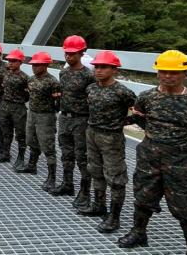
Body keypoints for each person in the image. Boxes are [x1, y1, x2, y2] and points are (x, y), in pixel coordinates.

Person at [118, 50, 187, 255]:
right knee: (143, 196)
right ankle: (139, 233)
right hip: (149, 156)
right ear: (157, 73)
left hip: (182, 163)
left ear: (186, 74)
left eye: (174, 72)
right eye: (163, 71)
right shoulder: (147, 97)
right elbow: (139, 118)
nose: (168, 76)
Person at [77, 51, 136, 235]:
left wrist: (122, 122)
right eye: (97, 67)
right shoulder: (91, 88)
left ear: (114, 70)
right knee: (95, 170)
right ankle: (98, 205)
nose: (99, 70)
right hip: (92, 133)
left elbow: (139, 113)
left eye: (104, 67)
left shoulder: (123, 92)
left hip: (112, 137)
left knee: (116, 177)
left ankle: (114, 217)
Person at [52, 36, 97, 210]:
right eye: (67, 53)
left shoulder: (89, 75)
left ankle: (85, 192)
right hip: (65, 117)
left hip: (81, 119)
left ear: (81, 53)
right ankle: (67, 184)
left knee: (82, 156)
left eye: (72, 53)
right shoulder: (63, 73)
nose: (68, 57)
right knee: (66, 153)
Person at [17, 51, 61, 194]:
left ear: (46, 65)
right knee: (31, 139)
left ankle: (52, 177)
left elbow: (58, 101)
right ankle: (32, 165)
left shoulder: (53, 82)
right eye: (33, 65)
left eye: (38, 65)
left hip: (46, 116)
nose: (34, 67)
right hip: (32, 113)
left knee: (48, 145)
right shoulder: (30, 79)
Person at [0, 49, 30, 167]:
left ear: (20, 62)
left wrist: (19, 101)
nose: (10, 63)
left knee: (20, 133)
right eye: (9, 60)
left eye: (14, 61)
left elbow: (27, 96)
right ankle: (5, 154)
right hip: (5, 106)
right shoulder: (4, 74)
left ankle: (21, 157)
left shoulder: (25, 78)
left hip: (18, 107)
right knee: (5, 131)